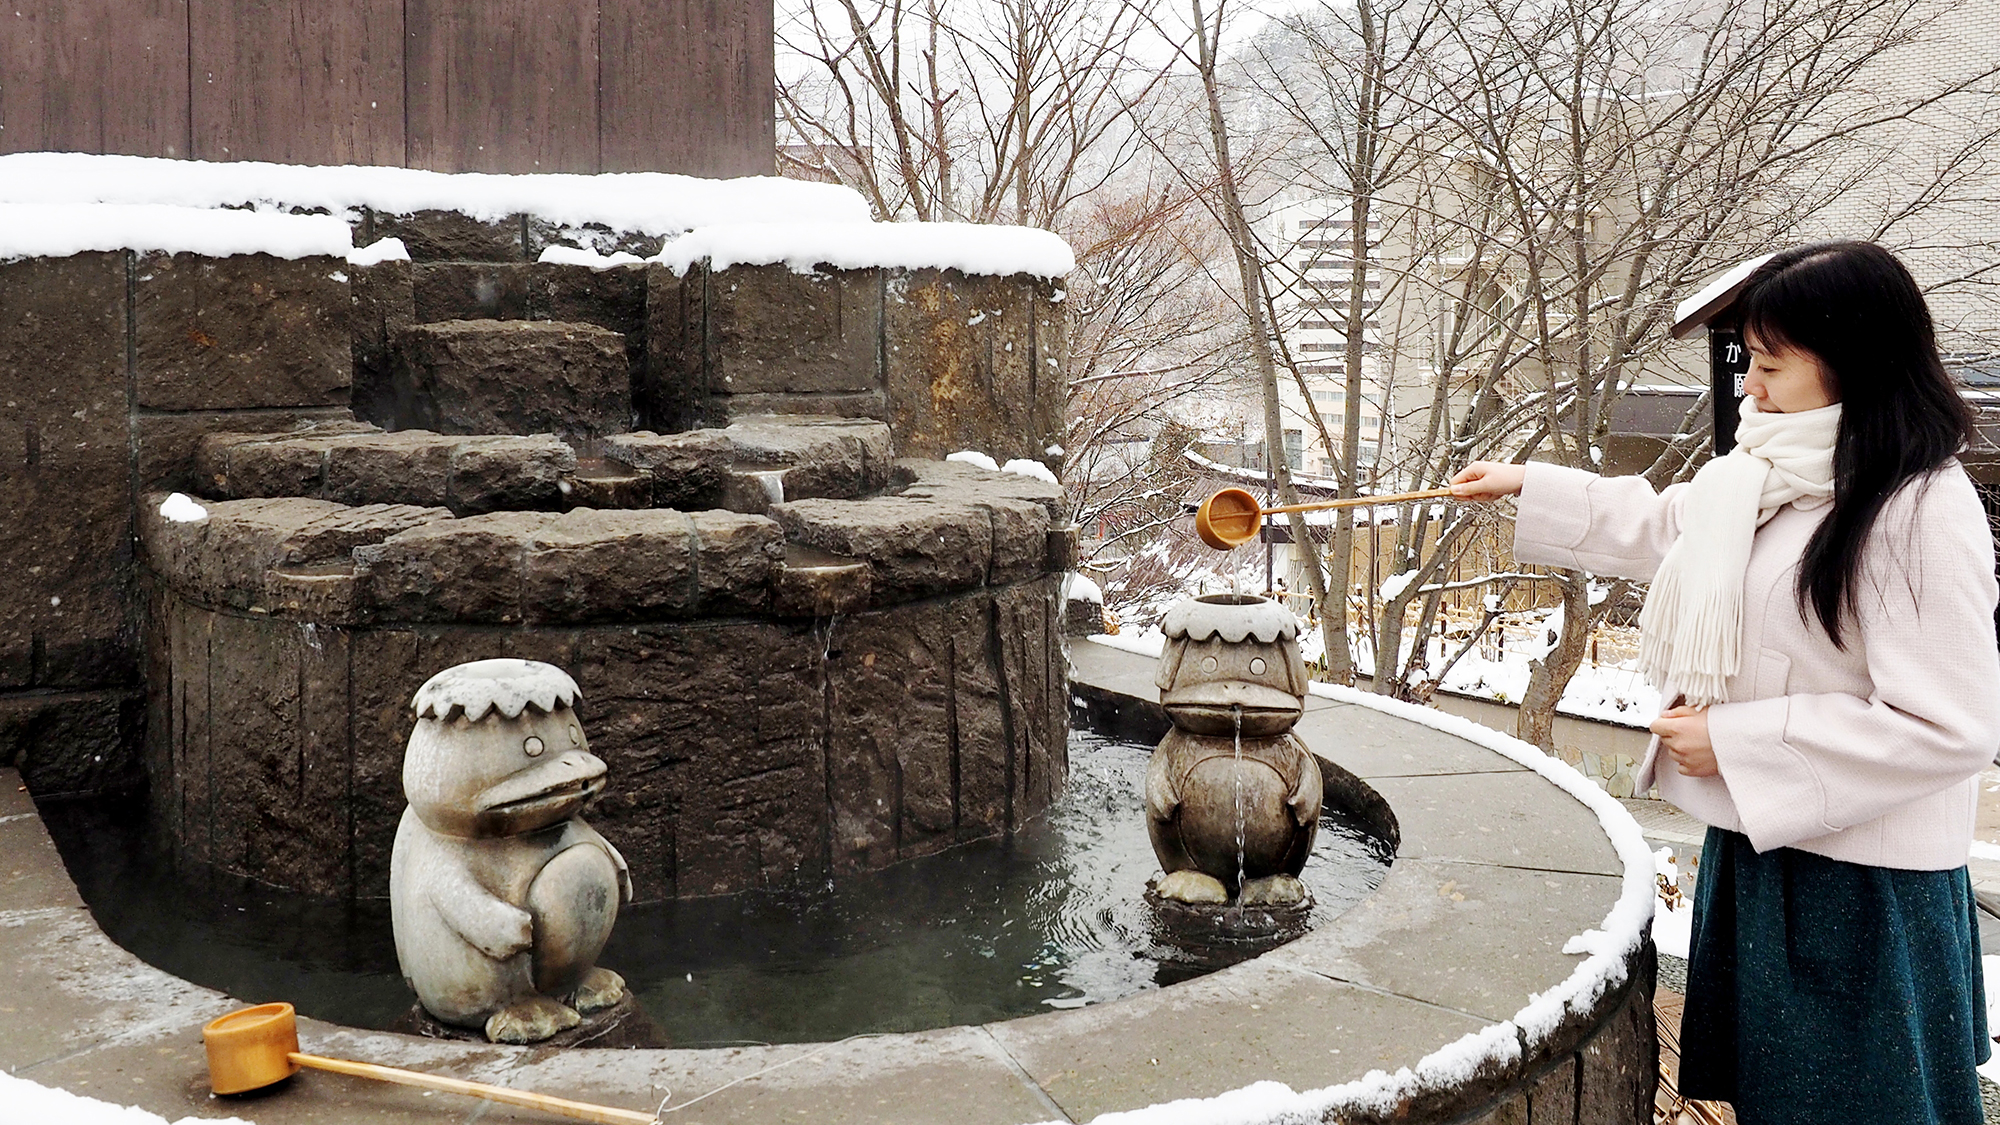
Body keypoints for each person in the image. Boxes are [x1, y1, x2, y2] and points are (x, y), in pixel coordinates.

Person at [1451, 241, 2000, 1124]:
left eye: (1773, 365)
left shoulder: (1917, 508)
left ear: (1853, 362)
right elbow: (1670, 524)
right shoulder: (1766, 474)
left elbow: (1955, 725)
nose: (1751, 388)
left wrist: (1737, 740)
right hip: (1768, 850)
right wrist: (1528, 485)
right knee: (1779, 1103)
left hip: (1863, 894)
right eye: (1749, 361)